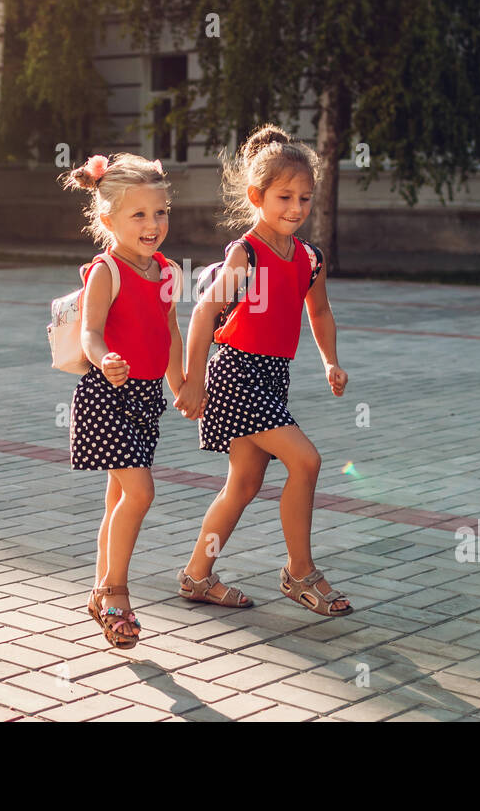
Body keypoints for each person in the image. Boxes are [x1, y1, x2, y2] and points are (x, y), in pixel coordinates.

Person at [174, 125, 353, 616]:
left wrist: (331, 361)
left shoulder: (309, 259)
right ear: (257, 196)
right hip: (235, 375)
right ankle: (300, 574)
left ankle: (196, 575)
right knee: (306, 461)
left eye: (305, 198)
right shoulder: (245, 253)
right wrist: (191, 381)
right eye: (284, 197)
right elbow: (204, 313)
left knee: (245, 485)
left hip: (273, 377)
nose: (295, 208)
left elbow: (319, 312)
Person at [61, 153, 185, 648]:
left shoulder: (167, 271)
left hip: (147, 398)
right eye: (139, 215)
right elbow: (90, 333)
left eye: (160, 213)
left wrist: (182, 387)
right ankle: (116, 593)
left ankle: (99, 592)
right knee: (139, 493)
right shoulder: (106, 271)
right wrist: (105, 356)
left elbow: (171, 332)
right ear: (108, 219)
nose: (153, 224)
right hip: (105, 395)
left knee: (119, 498)